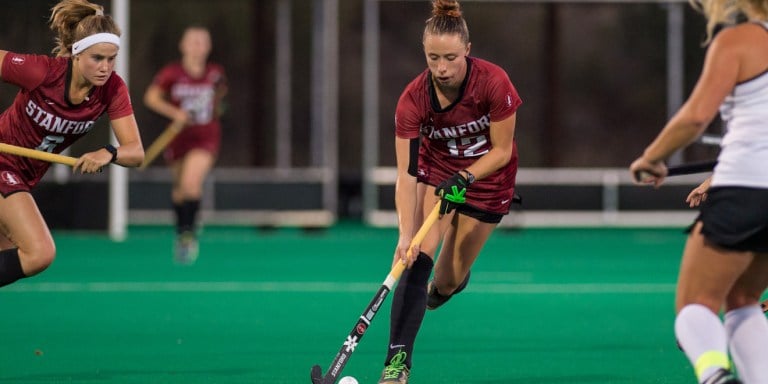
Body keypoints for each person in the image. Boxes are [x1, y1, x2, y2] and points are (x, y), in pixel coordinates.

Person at [379, 0, 521, 382]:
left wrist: (467, 178)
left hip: (488, 180)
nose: (442, 68)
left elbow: (502, 150)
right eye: (433, 58)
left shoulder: (494, 83)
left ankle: (449, 284)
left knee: (446, 281)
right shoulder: (412, 99)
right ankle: (397, 364)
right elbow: (407, 174)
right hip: (437, 173)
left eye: (451, 58)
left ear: (468, 52)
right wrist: (405, 233)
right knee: (417, 256)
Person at [630, 1, 768, 382]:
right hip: (750, 185)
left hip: (746, 189)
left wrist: (652, 158)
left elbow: (694, 116)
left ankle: (714, 376)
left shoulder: (740, 41)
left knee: (695, 305)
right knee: (743, 302)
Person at [0, 0, 143, 288]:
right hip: (4, 164)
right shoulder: (42, 72)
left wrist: (109, 152)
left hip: (26, 179)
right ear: (76, 54)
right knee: (39, 252)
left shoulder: (113, 89)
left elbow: (136, 152)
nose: (105, 67)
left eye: (111, 58)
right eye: (97, 58)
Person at [143, 26, 227, 264]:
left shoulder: (215, 74)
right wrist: (175, 113)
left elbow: (221, 103)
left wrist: (217, 109)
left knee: (191, 184)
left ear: (209, 47)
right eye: (193, 41)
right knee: (180, 191)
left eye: (202, 42)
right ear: (183, 45)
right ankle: (183, 230)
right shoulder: (172, 73)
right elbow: (151, 97)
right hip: (178, 138)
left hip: (205, 138)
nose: (197, 46)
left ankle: (188, 237)